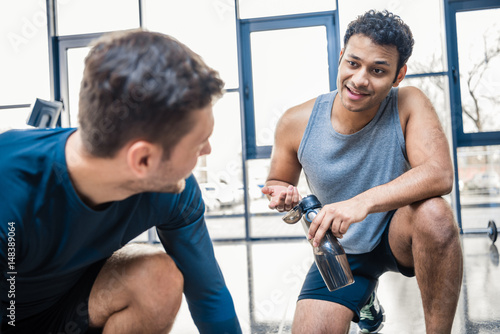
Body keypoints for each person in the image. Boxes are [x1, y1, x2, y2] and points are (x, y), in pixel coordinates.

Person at [0, 29, 242, 334]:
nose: (208, 151)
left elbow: (209, 294)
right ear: (142, 160)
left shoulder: (172, 189)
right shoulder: (8, 188)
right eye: (199, 144)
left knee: (158, 278)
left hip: (69, 310)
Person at [262, 10, 463, 334]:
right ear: (341, 58)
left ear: (398, 76)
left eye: (378, 70)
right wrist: (280, 190)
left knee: (435, 213)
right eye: (353, 63)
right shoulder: (295, 122)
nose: (359, 79)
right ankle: (364, 301)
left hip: (398, 233)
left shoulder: (409, 102)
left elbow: (440, 174)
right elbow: (278, 180)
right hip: (340, 250)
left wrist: (363, 202)